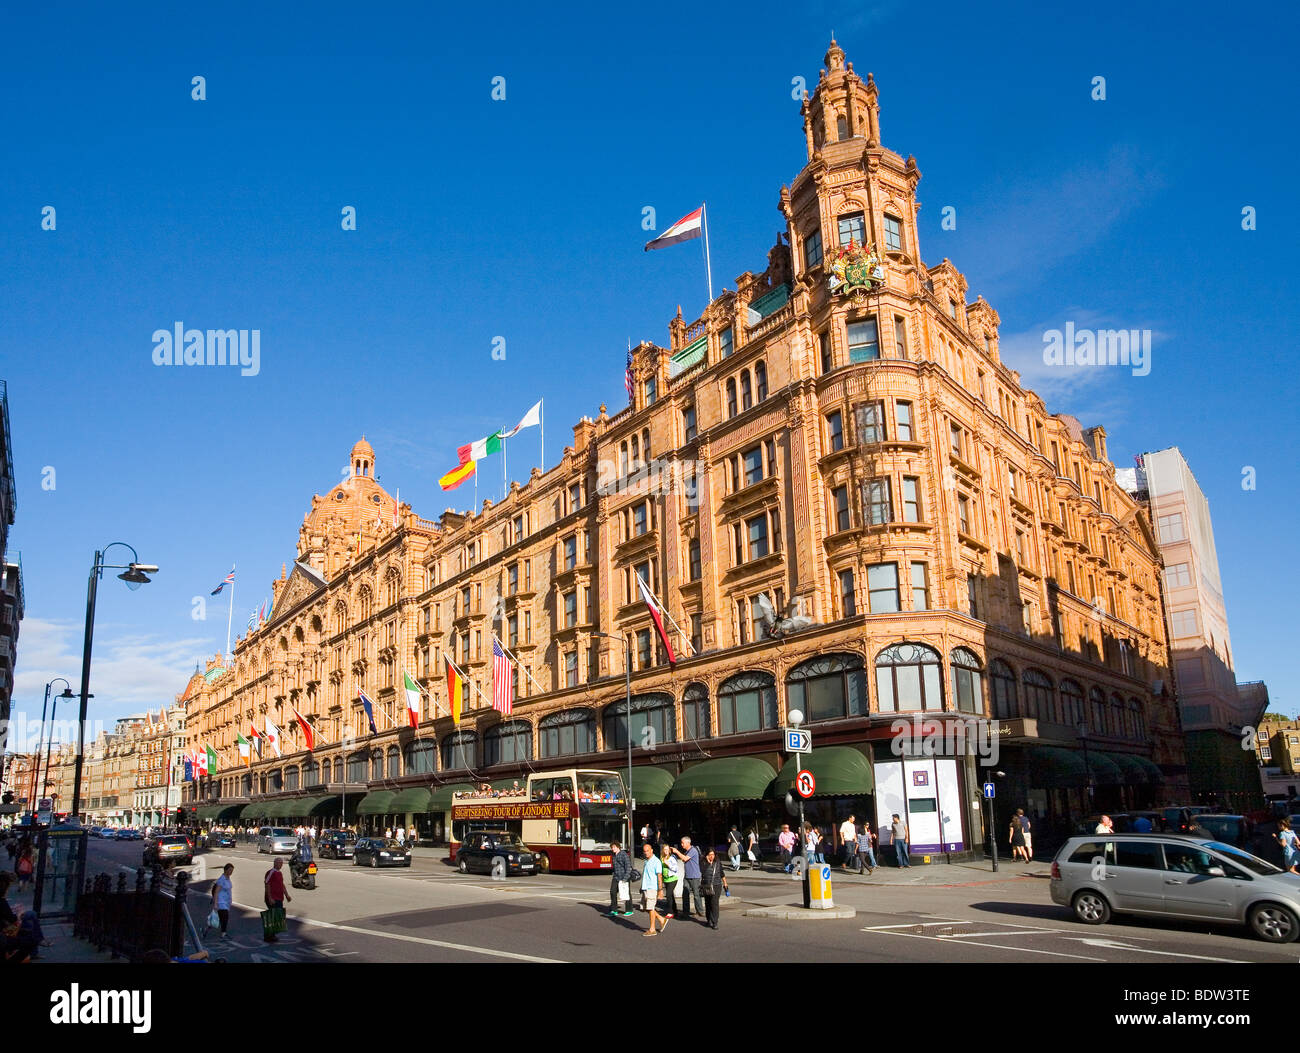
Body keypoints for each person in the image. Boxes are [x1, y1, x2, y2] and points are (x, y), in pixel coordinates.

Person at [641, 843, 668, 936]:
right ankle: (661, 919)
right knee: (646, 908)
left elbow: (659, 876)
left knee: (651, 908)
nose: (646, 853)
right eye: (644, 851)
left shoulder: (656, 861)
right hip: (645, 887)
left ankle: (652, 929)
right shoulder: (646, 861)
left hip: (652, 888)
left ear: (651, 850)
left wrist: (660, 890)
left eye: (647, 851)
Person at [263, 857, 291, 943]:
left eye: (282, 863)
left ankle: (272, 934)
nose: (281, 865)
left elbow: (282, 885)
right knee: (272, 917)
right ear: (275, 863)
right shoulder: (271, 872)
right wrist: (269, 897)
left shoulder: (280, 873)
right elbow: (267, 884)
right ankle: (268, 936)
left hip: (279, 898)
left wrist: (286, 895)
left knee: (278, 917)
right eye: (279, 863)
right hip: (272, 898)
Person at [672, 837, 702, 918]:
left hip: (695, 876)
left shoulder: (693, 850)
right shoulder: (687, 851)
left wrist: (677, 852)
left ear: (688, 843)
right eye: (681, 843)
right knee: (685, 894)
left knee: (696, 894)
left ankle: (700, 911)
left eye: (683, 843)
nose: (681, 844)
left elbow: (685, 858)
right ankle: (686, 912)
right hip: (687, 875)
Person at [700, 848, 728, 930]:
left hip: (716, 885)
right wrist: (708, 863)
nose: (711, 856)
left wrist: (725, 883)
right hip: (706, 886)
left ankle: (715, 922)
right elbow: (702, 871)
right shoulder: (703, 862)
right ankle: (709, 919)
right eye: (709, 855)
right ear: (706, 855)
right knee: (708, 903)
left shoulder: (718, 863)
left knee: (714, 903)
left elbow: (722, 873)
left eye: (713, 854)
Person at [608, 840, 634, 916]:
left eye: (614, 847)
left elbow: (628, 866)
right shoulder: (614, 856)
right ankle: (614, 910)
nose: (613, 849)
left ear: (618, 847)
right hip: (616, 877)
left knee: (626, 893)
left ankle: (629, 910)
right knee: (612, 892)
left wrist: (625, 878)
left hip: (624, 877)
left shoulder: (623, 854)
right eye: (612, 847)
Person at [211, 864, 234, 939]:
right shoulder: (221, 879)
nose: (231, 872)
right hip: (221, 901)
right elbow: (216, 892)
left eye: (232, 870)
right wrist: (215, 904)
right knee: (225, 917)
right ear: (226, 870)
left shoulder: (228, 878)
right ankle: (223, 933)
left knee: (220, 918)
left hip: (226, 901)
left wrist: (230, 900)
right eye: (230, 870)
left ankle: (206, 929)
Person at [659, 843, 680, 919]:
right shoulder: (662, 857)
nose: (666, 851)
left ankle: (670, 912)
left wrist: (668, 864)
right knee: (671, 896)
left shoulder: (672, 857)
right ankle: (675, 911)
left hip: (673, 878)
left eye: (667, 849)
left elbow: (675, 868)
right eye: (665, 849)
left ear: (670, 850)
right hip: (666, 879)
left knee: (668, 895)